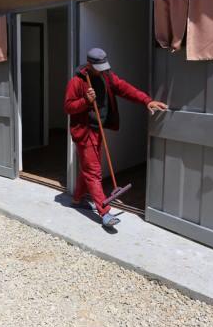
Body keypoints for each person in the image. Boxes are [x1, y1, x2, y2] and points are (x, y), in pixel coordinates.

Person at [64, 47, 168, 226]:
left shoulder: (106, 76)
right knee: (93, 171)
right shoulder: (77, 82)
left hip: (98, 130)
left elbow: (125, 89)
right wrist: (85, 101)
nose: (102, 70)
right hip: (85, 131)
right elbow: (68, 107)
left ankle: (77, 199)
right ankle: (105, 213)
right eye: (98, 68)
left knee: (88, 167)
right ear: (89, 64)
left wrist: (147, 100)